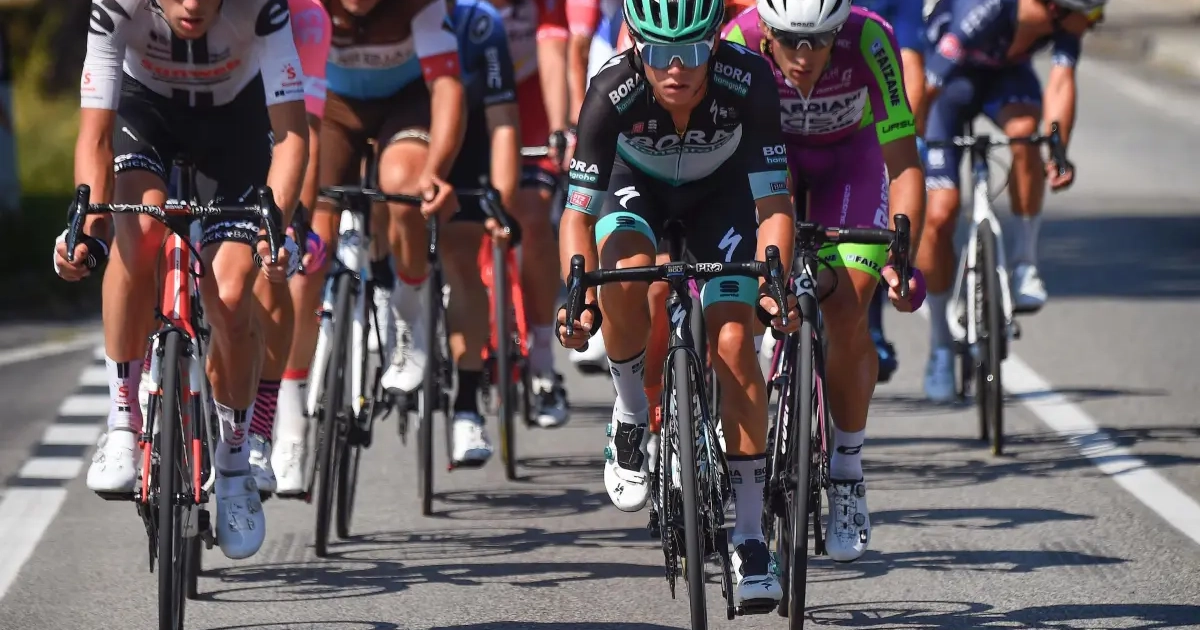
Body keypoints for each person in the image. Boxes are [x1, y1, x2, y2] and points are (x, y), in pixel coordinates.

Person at [557, 0, 802, 605]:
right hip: (634, 186)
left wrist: (773, 281)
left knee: (735, 343)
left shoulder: (748, 79)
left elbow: (775, 205)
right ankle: (630, 413)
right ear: (635, 44)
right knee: (624, 275)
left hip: (722, 195)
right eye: (660, 52)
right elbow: (576, 217)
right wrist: (576, 296)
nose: (677, 68)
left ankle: (750, 537)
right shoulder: (610, 89)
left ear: (714, 42)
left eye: (692, 51)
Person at [56, 0, 308, 560]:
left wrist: (274, 227)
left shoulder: (261, 7)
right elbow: (95, 136)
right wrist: (87, 229)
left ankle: (235, 462)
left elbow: (292, 136)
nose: (192, 3)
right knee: (138, 231)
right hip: (145, 116)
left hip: (237, 127)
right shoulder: (115, 6)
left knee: (233, 293)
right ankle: (123, 421)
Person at [722, 0, 927, 563]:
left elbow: (903, 160)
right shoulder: (738, 40)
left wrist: (902, 253)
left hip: (851, 165)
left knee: (846, 308)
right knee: (752, 293)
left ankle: (847, 470)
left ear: (841, 29)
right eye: (790, 39)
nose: (804, 54)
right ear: (767, 30)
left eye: (820, 39)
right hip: (771, 165)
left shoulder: (871, 38)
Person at [271, 0, 468, 486]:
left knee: (403, 186)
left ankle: (408, 309)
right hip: (331, 110)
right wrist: (300, 216)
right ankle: (289, 424)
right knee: (307, 256)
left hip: (406, 104)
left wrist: (436, 173)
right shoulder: (310, 7)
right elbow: (303, 119)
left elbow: (447, 87)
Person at [919, 0, 1103, 402]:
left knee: (1025, 136)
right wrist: (909, 145)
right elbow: (929, 84)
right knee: (940, 213)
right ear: (1055, 7)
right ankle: (940, 345)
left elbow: (1061, 82)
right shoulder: (989, 9)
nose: (1095, 22)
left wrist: (1058, 151)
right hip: (949, 84)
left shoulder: (1066, 21)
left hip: (1006, 80)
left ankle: (1024, 264)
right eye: (1092, 15)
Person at [481, 0, 574, 429]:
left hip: (531, 103)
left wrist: (558, 128)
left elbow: (553, 52)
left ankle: (542, 360)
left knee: (534, 217)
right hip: (473, 99)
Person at [848, 0, 928, 383]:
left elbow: (910, 68)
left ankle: (870, 328)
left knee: (860, 265)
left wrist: (905, 132)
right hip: (787, 146)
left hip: (857, 135)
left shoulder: (873, 24)